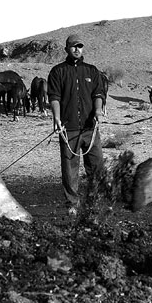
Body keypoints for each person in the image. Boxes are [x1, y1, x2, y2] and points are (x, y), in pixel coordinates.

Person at [48, 34, 105, 216]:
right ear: (67, 49)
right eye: (73, 46)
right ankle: (72, 204)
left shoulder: (92, 71)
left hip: (90, 129)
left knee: (97, 167)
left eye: (79, 46)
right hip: (68, 128)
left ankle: (94, 202)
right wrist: (56, 118)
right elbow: (54, 97)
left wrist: (97, 111)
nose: (77, 49)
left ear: (83, 48)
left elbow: (98, 95)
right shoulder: (57, 72)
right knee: (70, 170)